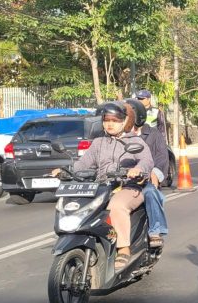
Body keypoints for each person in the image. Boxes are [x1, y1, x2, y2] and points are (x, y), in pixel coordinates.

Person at [54, 102, 154, 270]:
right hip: (101, 187)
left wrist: (137, 169)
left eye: (115, 120)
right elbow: (84, 163)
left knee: (117, 206)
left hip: (128, 187)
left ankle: (123, 248)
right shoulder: (99, 142)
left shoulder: (135, 141)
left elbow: (147, 160)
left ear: (123, 122)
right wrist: (66, 170)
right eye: (106, 120)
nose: (110, 124)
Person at [125, 98, 169, 247]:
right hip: (121, 181)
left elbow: (162, 157)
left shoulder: (153, 134)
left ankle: (155, 230)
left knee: (150, 192)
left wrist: (155, 173)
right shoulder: (116, 136)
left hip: (144, 180)